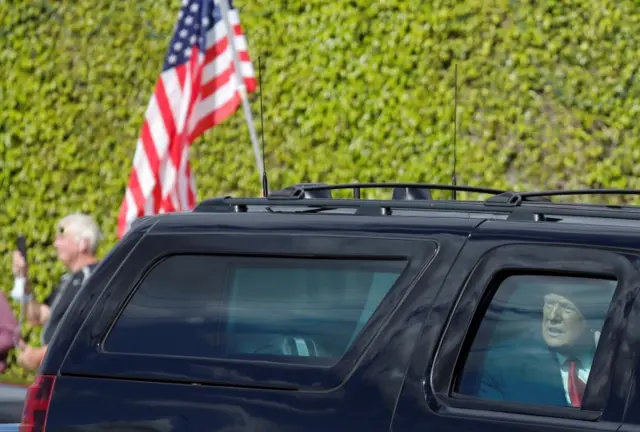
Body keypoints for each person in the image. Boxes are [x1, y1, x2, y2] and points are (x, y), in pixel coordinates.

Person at [472, 282, 608, 407]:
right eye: (549, 304)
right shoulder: (504, 366)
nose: (553, 316)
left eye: (567, 308)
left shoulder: (618, 359)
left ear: (593, 319)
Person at [11, 213, 102, 371]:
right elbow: (36, 317)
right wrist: (23, 278)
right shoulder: (67, 280)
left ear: (83, 243)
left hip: (73, 372)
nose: (55, 244)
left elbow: (83, 333)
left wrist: (41, 355)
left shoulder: (95, 278)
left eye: (62, 237)